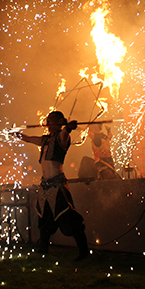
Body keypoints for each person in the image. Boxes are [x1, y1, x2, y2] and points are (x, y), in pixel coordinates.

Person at [15, 111, 89, 260]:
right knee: (45, 219)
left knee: (68, 218)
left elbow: (64, 134)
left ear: (58, 122)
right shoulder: (45, 140)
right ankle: (43, 250)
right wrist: (16, 134)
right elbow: (29, 139)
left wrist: (68, 128)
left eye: (51, 121)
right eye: (48, 121)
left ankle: (84, 252)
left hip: (58, 185)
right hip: (45, 186)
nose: (48, 125)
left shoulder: (62, 138)